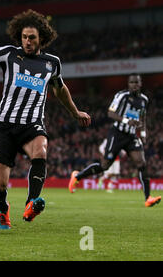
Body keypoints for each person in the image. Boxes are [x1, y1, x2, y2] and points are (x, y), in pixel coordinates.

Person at [0, 9, 91, 229]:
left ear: (41, 38)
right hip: (5, 125)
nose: (27, 41)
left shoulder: (52, 63)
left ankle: (31, 202)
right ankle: (3, 209)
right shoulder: (9, 54)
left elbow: (60, 90)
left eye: (32, 37)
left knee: (41, 150)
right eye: (24, 37)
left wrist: (75, 112)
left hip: (32, 123)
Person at [69, 73, 161, 207]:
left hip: (131, 137)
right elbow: (110, 112)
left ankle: (148, 198)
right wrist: (126, 120)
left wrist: (143, 133)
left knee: (142, 164)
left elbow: (142, 118)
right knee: (105, 165)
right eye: (132, 82)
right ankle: (77, 176)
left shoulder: (144, 100)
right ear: (128, 84)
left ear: (141, 84)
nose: (134, 85)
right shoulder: (121, 96)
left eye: (136, 82)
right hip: (117, 134)